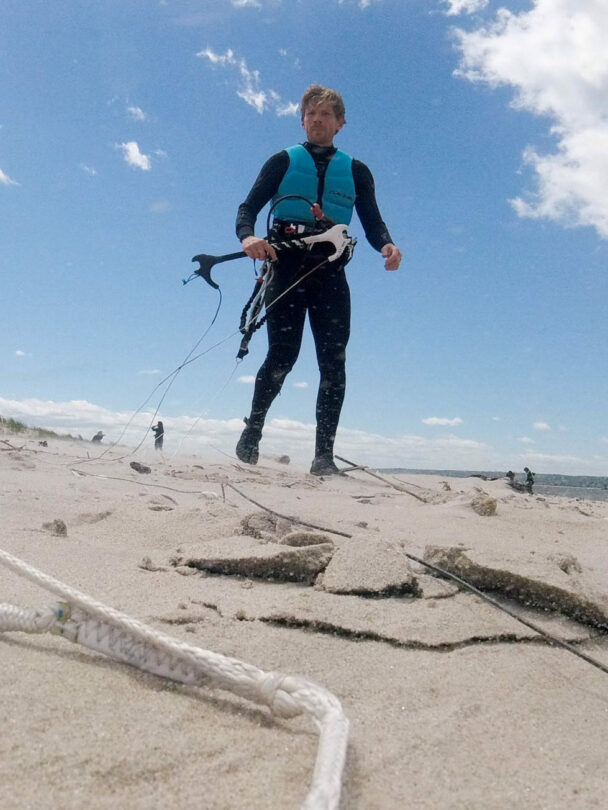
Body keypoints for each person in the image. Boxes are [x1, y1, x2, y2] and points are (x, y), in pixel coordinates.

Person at [234, 84, 402, 476]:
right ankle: (252, 434)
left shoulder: (357, 171)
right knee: (282, 357)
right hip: (287, 268)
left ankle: (323, 456)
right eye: (310, 113)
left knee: (333, 363)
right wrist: (249, 237)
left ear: (340, 123)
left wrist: (388, 246)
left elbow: (372, 220)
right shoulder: (282, 161)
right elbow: (248, 207)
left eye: (325, 114)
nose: (317, 120)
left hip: (329, 274)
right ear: (302, 119)